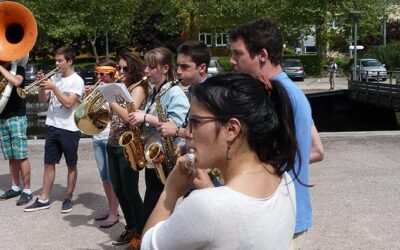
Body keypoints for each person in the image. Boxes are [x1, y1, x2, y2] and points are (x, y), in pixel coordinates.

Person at [141, 73, 298, 250]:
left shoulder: (207, 205)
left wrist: (170, 192)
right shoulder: (284, 179)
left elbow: (147, 245)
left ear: (231, 129)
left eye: (195, 122)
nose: (188, 132)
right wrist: (209, 190)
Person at [229, 18, 324, 250]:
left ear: (262, 55)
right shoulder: (291, 93)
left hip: (278, 223)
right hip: (289, 217)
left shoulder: (277, 98)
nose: (232, 61)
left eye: (238, 54)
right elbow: (316, 149)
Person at [128, 47, 190, 225]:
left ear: (165, 68)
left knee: (155, 208)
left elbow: (177, 126)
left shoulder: (174, 92)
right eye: (146, 66)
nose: (146, 71)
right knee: (152, 202)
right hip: (153, 157)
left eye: (151, 67)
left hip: (165, 158)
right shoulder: (156, 91)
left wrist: (146, 117)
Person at [24, 47, 84, 213]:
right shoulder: (55, 77)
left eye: (60, 61)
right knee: (48, 164)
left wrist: (54, 87)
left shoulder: (77, 81)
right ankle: (43, 198)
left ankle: (68, 198)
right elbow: (43, 100)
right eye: (55, 61)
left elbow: (68, 103)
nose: (56, 64)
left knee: (71, 165)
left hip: (70, 128)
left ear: (70, 61)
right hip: (53, 126)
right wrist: (43, 86)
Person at [105, 52, 148, 247]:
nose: (121, 72)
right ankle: (131, 227)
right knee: (118, 189)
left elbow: (129, 117)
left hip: (128, 145)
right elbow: (112, 116)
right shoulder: (121, 87)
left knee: (130, 190)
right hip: (112, 141)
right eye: (119, 68)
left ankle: (141, 231)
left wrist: (111, 101)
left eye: (125, 68)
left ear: (134, 69)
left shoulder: (138, 88)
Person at [87, 60, 120, 228]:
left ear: (111, 73)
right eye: (97, 74)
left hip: (110, 136)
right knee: (105, 177)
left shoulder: (116, 90)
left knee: (113, 177)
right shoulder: (97, 90)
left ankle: (114, 213)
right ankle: (111, 208)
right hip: (97, 136)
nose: (98, 77)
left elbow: (116, 113)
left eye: (102, 74)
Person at [0, 60, 33, 206]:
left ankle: (27, 190)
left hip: (17, 116)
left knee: (21, 155)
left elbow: (16, 81)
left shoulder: (18, 68)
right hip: (2, 117)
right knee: (11, 156)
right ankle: (15, 186)